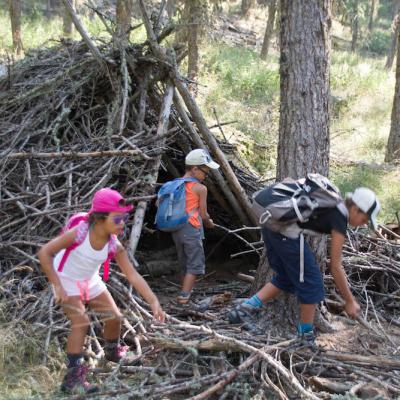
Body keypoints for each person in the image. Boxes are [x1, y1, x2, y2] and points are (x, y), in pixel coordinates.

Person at [38, 188, 165, 394]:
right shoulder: (79, 233)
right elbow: (45, 253)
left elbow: (132, 275)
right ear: (99, 218)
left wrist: (153, 301)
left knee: (114, 317)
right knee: (81, 322)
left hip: (89, 279)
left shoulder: (114, 245)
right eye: (117, 219)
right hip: (66, 279)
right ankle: (72, 379)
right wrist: (57, 285)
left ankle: (112, 352)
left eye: (124, 218)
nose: (123, 223)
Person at [228, 186, 380, 343]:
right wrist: (349, 300)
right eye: (365, 220)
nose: (363, 224)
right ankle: (305, 338)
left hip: (271, 225)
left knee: (287, 278)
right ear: (355, 209)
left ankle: (244, 310)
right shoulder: (339, 216)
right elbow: (335, 266)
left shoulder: (332, 205)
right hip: (285, 232)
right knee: (313, 283)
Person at [171, 149, 220, 304]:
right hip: (191, 228)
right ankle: (184, 297)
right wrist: (209, 223)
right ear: (194, 169)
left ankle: (184, 290)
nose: (206, 175)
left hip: (176, 228)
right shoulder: (200, 188)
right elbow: (204, 215)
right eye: (205, 172)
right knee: (195, 263)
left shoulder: (173, 185)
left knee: (184, 260)